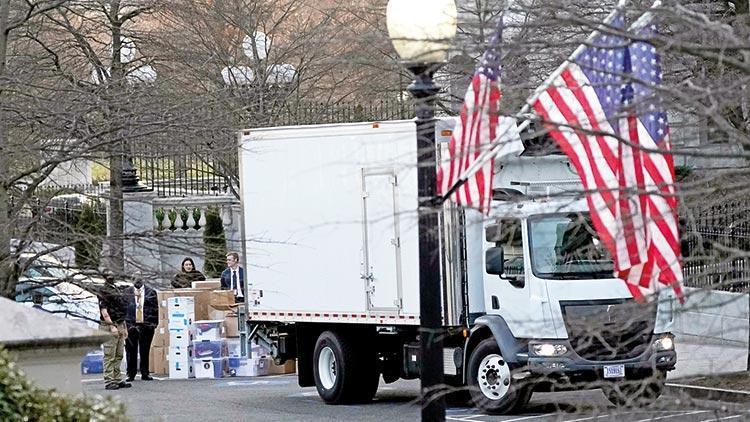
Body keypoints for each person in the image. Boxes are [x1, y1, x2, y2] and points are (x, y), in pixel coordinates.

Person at [98, 272, 131, 390]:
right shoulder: (103, 291)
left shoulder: (116, 289)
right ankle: (109, 380)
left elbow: (121, 310)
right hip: (109, 325)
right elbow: (104, 312)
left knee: (119, 354)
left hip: (120, 323)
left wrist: (124, 327)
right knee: (109, 355)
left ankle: (117, 378)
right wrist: (112, 326)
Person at [124, 273, 159, 382]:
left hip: (146, 325)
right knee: (131, 350)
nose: (138, 282)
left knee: (145, 349)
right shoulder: (126, 293)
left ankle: (145, 372)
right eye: (135, 280)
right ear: (132, 280)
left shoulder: (151, 292)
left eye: (140, 279)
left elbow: (155, 309)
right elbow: (123, 309)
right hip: (131, 325)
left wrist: (154, 324)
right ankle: (131, 373)